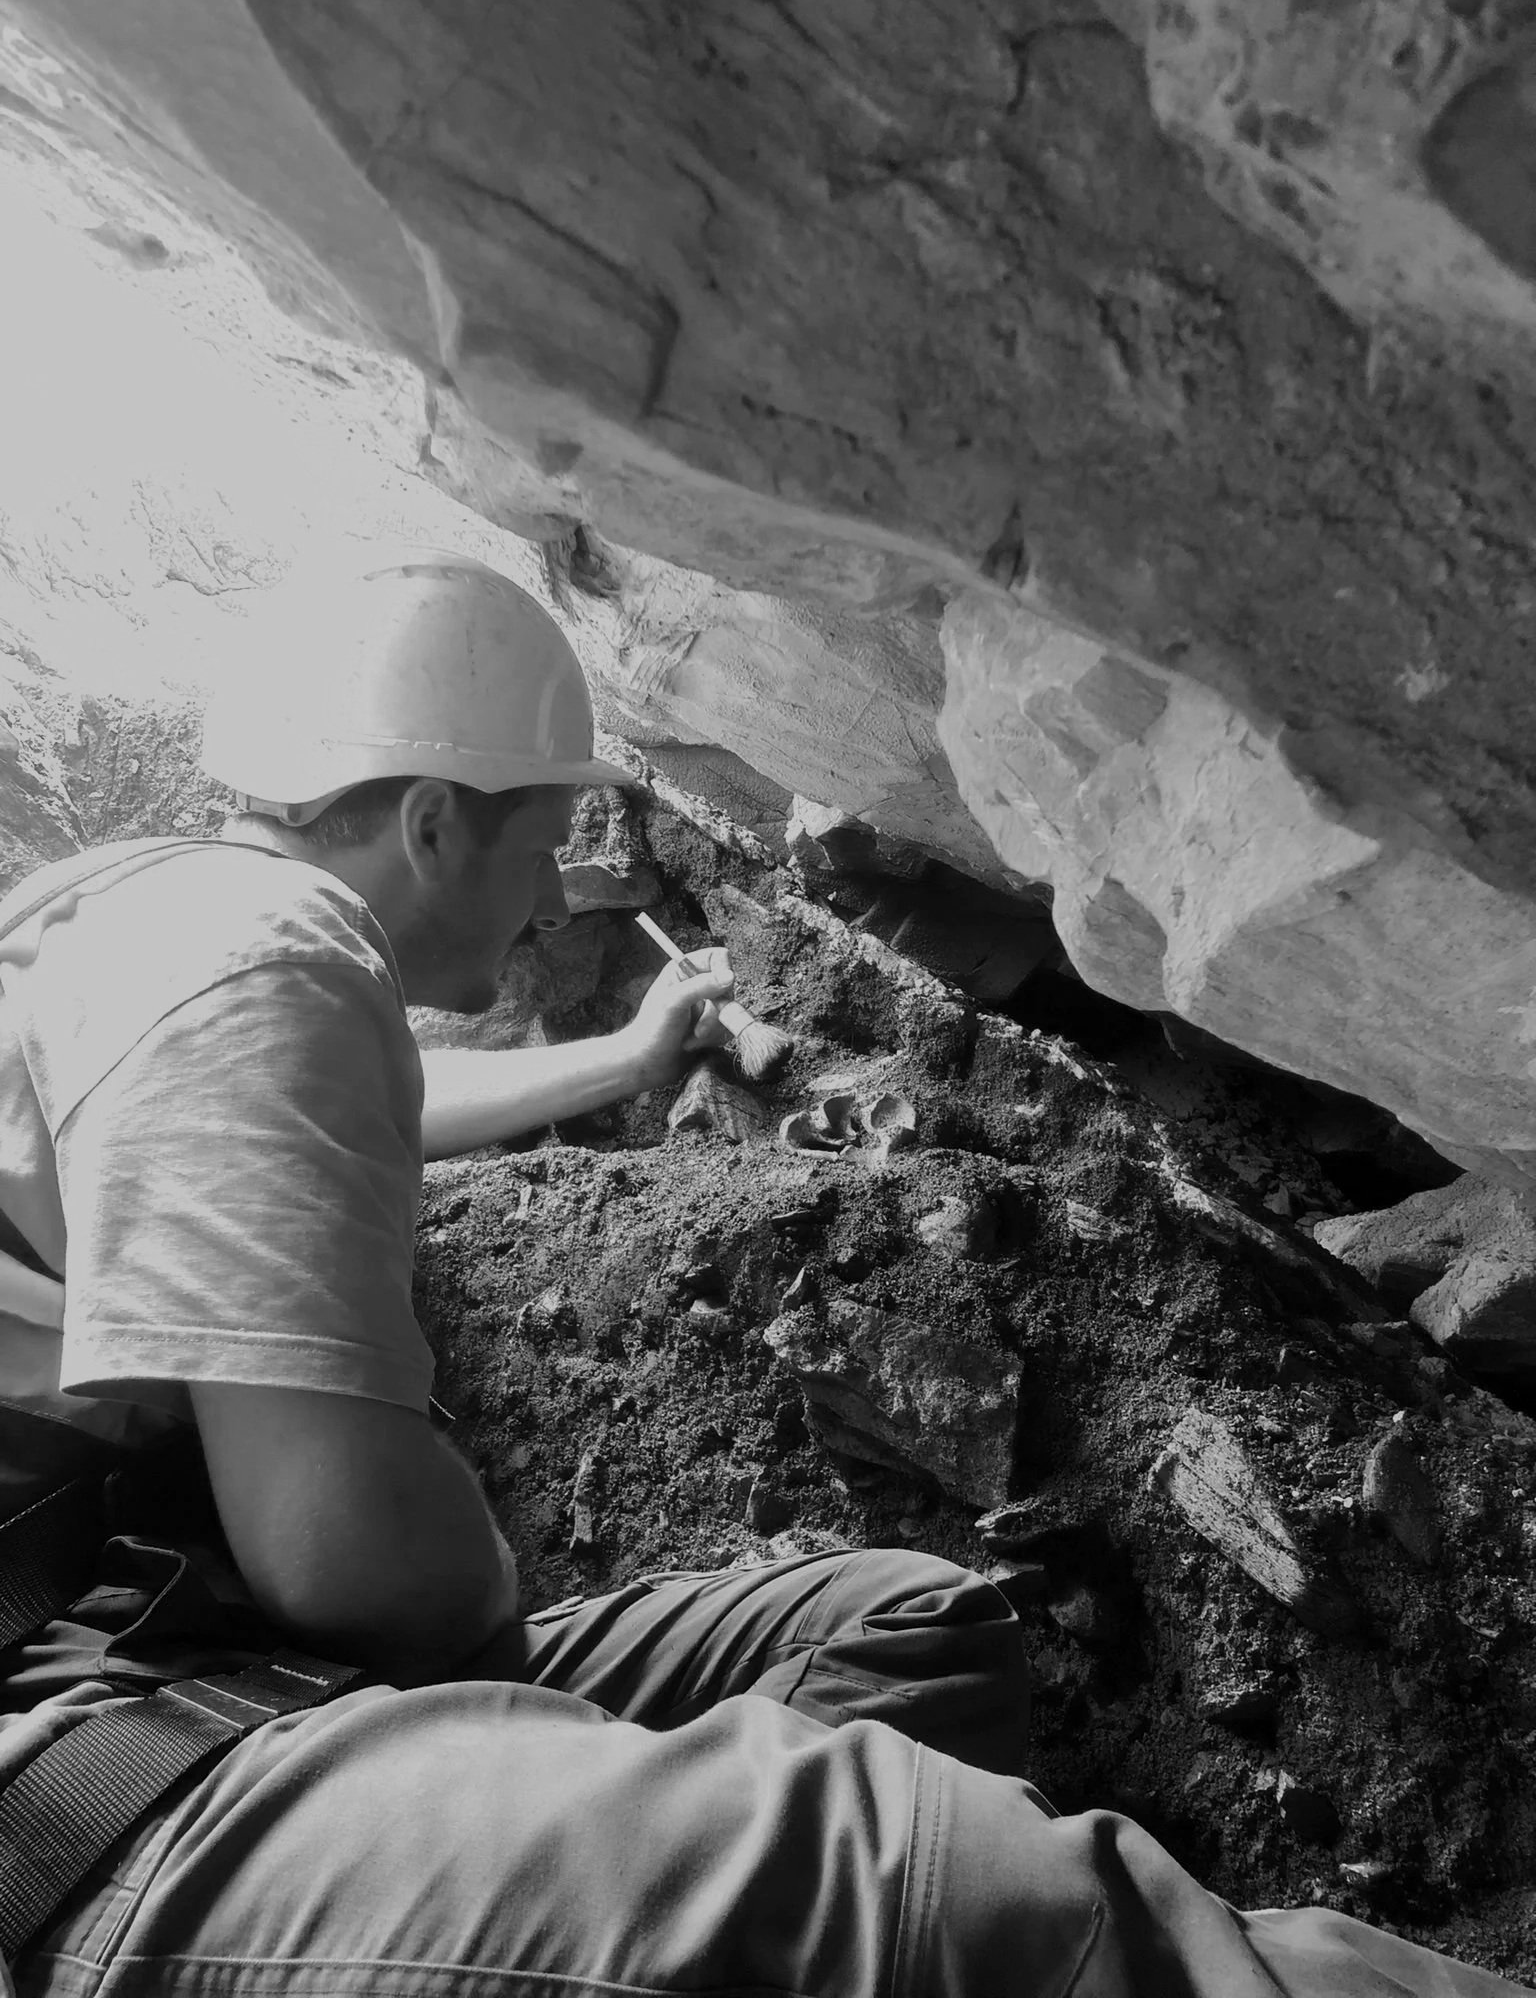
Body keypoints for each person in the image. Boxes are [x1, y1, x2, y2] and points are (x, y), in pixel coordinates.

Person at [0, 548, 1524, 1998]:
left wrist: (618, 1055)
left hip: (198, 1665)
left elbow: (351, 1112)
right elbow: (360, 1571)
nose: (548, 905)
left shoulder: (161, 939)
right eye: (537, 852)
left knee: (907, 1627)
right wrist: (496, 1637)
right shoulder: (260, 966)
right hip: (88, 1777)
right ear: (431, 826)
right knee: (901, 1874)